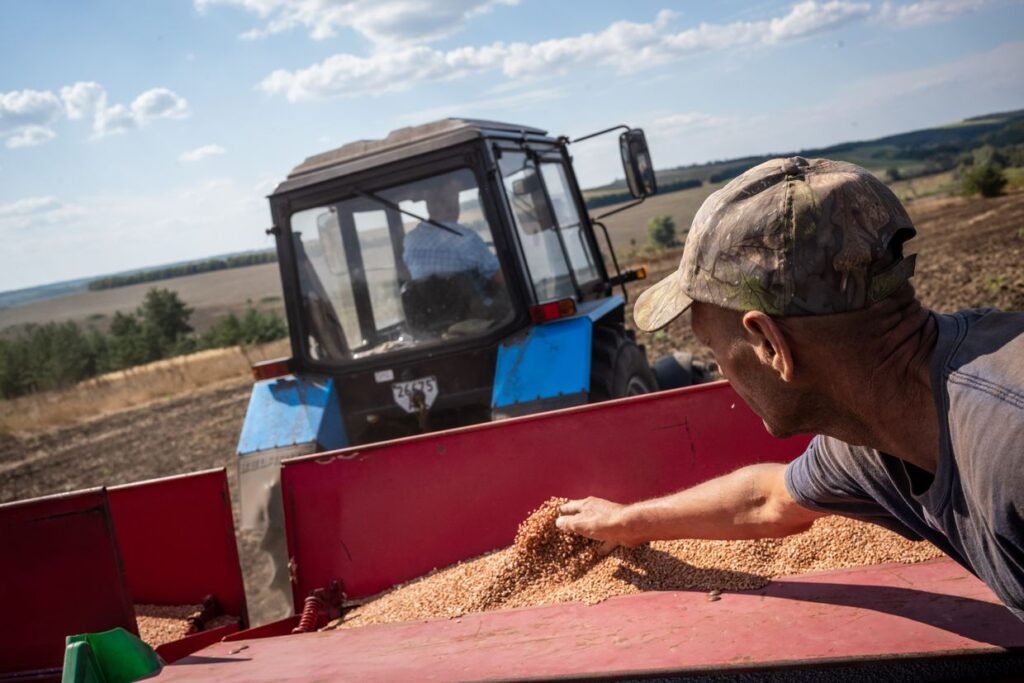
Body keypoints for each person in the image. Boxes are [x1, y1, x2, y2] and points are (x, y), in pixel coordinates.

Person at [555, 156, 1024, 619]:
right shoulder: (873, 437)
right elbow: (766, 500)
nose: (719, 371)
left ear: (769, 343)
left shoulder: (1009, 453)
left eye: (712, 346)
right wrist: (626, 523)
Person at [402, 175, 503, 286]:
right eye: (456, 198)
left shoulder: (409, 240)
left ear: (429, 207)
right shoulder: (466, 239)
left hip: (426, 297)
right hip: (465, 297)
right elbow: (499, 278)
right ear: (451, 206)